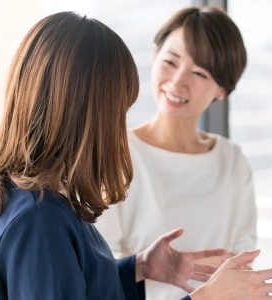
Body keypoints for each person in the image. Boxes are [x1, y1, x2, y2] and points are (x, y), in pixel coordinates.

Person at [0, 11, 272, 300]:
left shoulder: (30, 200)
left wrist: (139, 267)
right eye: (116, 109)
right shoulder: (39, 220)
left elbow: (80, 286)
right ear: (83, 111)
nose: (120, 123)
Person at [95, 7, 257, 299]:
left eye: (199, 72)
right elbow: (97, 269)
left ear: (222, 90)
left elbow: (243, 262)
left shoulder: (232, 161)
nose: (178, 82)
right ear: (155, 56)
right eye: (170, 61)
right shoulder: (114, 153)